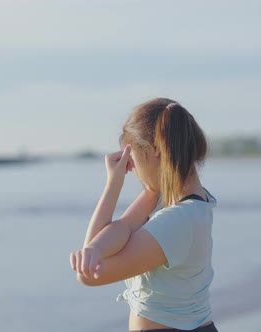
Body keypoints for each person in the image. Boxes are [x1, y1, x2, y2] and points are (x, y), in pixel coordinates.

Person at [69, 98, 219, 332]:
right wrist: (115, 184)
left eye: (134, 160)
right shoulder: (178, 202)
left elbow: (89, 275)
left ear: (156, 151)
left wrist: (94, 250)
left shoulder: (177, 220)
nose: (134, 170)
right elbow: (123, 227)